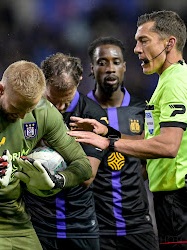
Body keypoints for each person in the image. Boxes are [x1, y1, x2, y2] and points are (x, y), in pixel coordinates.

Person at [0, 60, 93, 250]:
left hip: (15, 215)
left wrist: (56, 181)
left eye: (28, 110)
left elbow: (83, 167)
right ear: (1, 89)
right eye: (16, 108)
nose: (21, 117)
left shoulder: (44, 111)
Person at [68, 11, 187, 249]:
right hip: (170, 202)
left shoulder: (174, 83)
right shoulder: (168, 79)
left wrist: (108, 144)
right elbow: (152, 138)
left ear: (169, 43)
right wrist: (109, 132)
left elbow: (168, 146)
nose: (136, 49)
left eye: (144, 40)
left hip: (178, 201)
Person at [23, 52, 108, 250]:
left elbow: (87, 175)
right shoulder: (26, 111)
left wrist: (51, 139)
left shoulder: (93, 115)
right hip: (37, 223)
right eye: (53, 100)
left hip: (79, 224)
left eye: (66, 100)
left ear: (79, 81)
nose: (60, 107)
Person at [87, 36, 158, 250]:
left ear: (124, 67)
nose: (110, 68)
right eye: (102, 62)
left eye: (116, 62)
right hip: (96, 227)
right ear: (92, 68)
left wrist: (131, 176)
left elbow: (152, 157)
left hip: (138, 224)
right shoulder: (80, 112)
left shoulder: (143, 110)